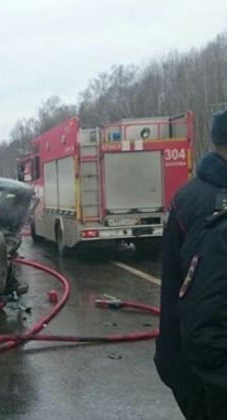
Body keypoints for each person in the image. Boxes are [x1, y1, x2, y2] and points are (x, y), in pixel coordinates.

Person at [155, 106, 227, 419]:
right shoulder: (217, 212)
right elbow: (206, 326)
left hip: (186, 367)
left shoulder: (191, 194)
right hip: (209, 383)